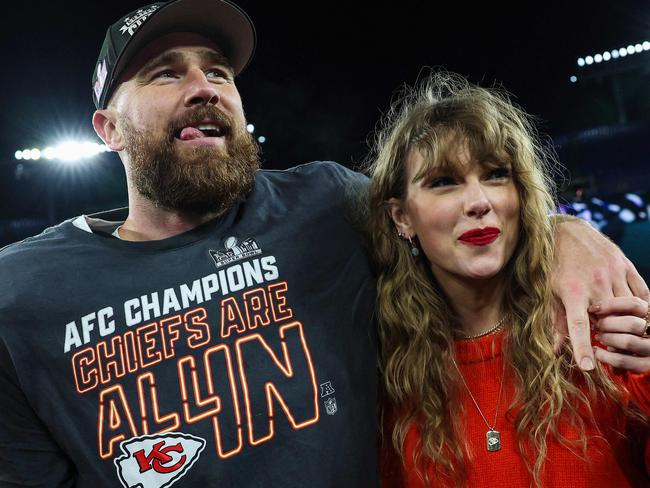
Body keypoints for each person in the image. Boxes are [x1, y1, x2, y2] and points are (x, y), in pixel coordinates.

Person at [0, 1, 645, 486]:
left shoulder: (325, 202)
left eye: (219, 72)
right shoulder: (20, 295)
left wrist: (566, 230)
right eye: (165, 74)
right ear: (106, 128)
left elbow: (450, 204)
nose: (203, 87)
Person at [367, 72, 650, 487]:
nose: (479, 202)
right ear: (402, 218)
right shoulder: (385, 377)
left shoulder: (600, 331)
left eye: (496, 174)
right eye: (444, 182)